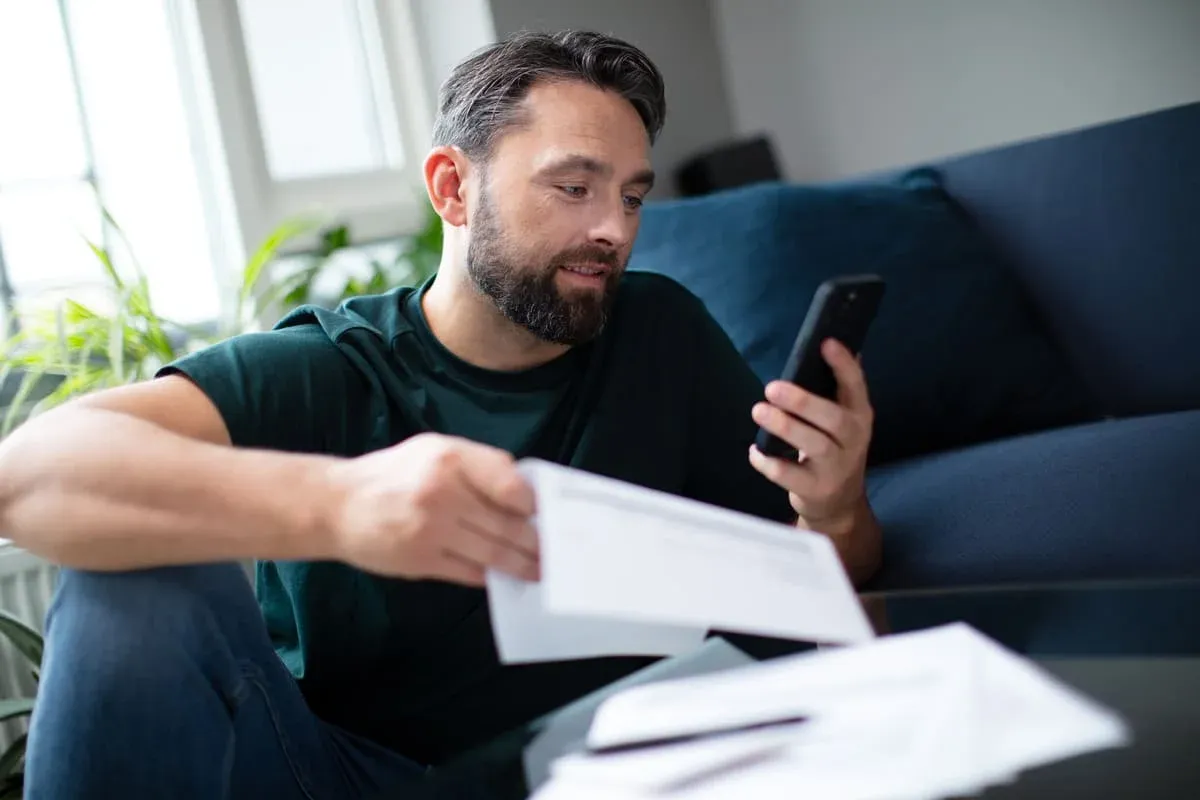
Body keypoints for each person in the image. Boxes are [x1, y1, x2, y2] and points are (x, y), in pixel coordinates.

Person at [0, 30, 881, 800]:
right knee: (133, 581)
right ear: (452, 189)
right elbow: (29, 473)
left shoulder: (661, 331)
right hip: (352, 779)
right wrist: (341, 509)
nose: (615, 227)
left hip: (617, 770)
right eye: (575, 188)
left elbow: (818, 582)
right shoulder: (328, 369)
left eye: (633, 195)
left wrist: (834, 509)